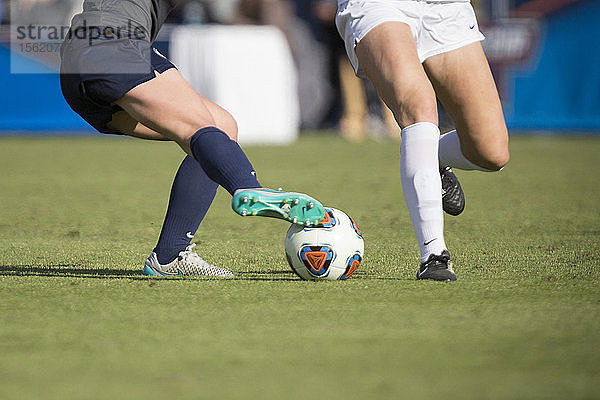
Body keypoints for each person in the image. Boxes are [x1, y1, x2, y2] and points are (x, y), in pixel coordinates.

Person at [59, 0, 326, 277]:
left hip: (91, 53)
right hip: (112, 40)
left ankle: (169, 256)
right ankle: (248, 186)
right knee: (201, 129)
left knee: (220, 126)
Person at [336, 0, 510, 281]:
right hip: (381, 5)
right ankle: (434, 255)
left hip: (446, 8)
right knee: (419, 107)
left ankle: (433, 158)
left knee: (491, 152)